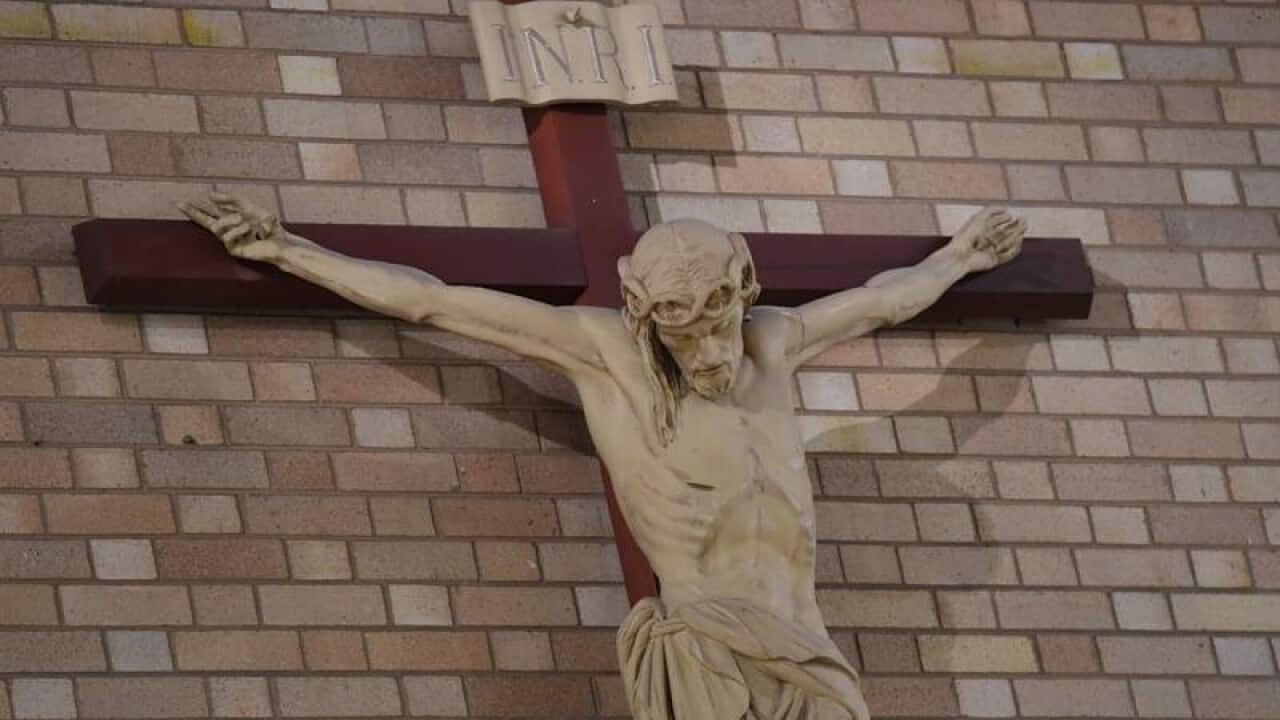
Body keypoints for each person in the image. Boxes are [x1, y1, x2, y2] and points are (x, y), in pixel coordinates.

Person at [184, 195, 1025, 720]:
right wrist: (288, 251)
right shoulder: (604, 357)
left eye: (717, 322)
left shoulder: (775, 341)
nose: (707, 351)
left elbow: (880, 304)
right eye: (680, 330)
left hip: (813, 659)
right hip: (710, 657)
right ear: (644, 317)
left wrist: (960, 257)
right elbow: (436, 303)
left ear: (745, 295)